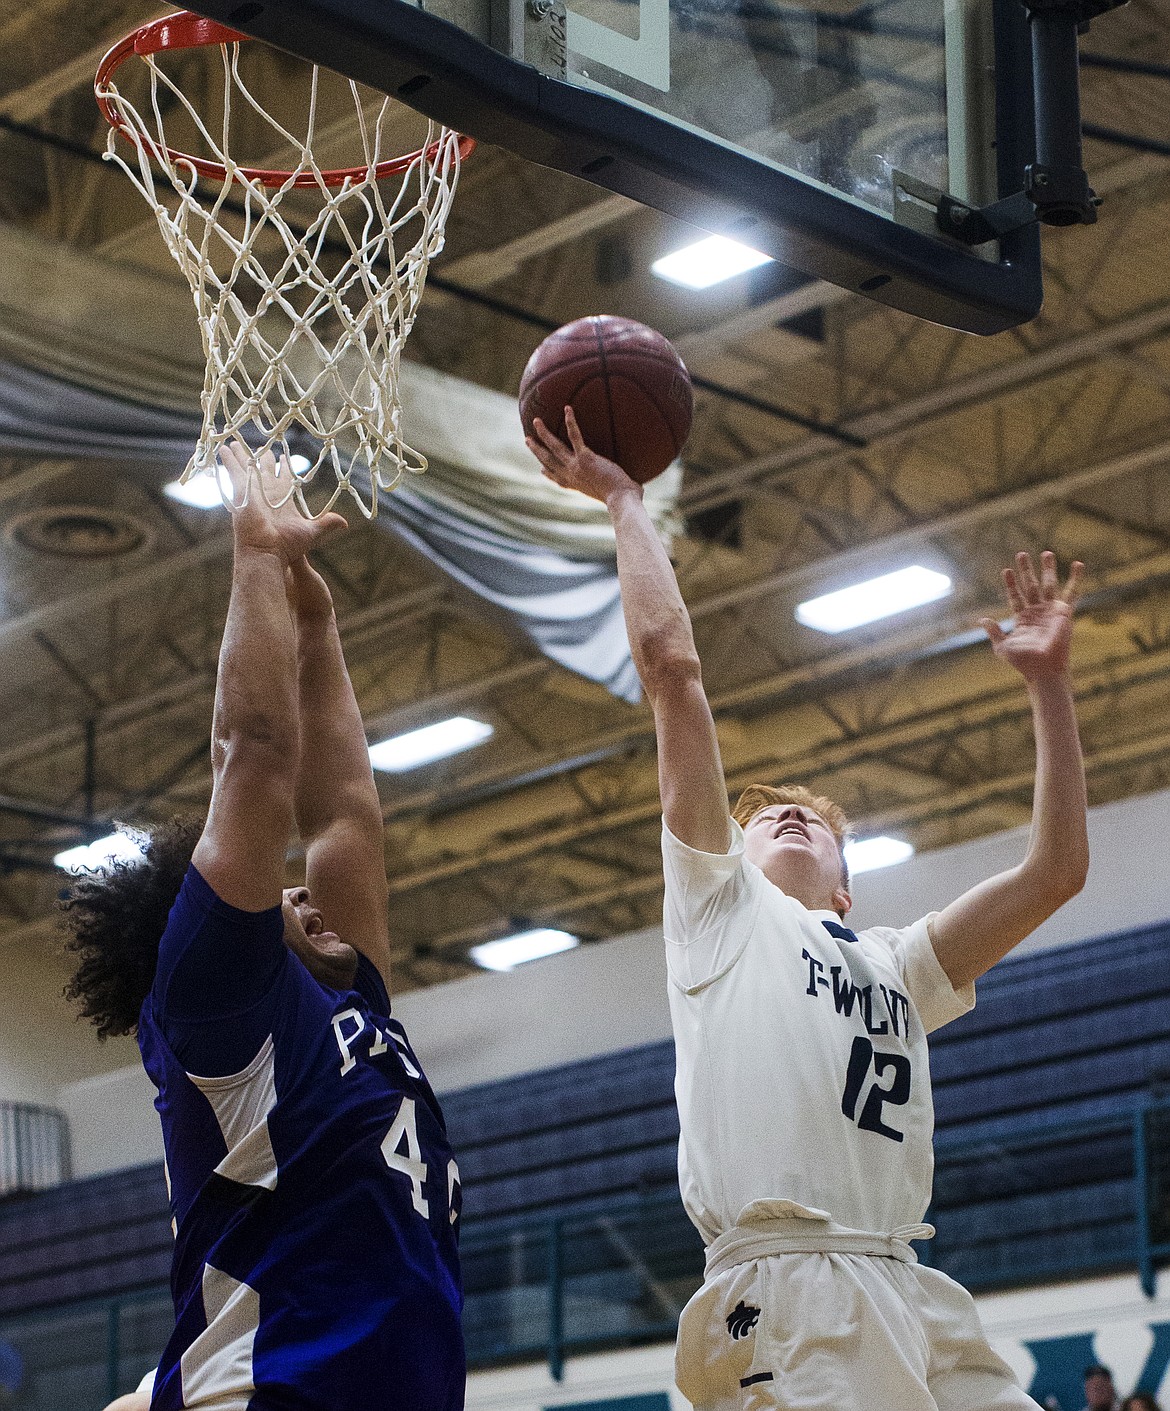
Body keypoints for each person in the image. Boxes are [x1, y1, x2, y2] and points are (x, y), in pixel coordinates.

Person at [526, 408, 1089, 1411]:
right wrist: (625, 502)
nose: (788, 811)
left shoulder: (898, 963)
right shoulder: (721, 913)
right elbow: (672, 669)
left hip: (907, 1283)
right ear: (725, 861)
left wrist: (1049, 686)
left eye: (817, 821)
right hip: (780, 1280)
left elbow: (1055, 873)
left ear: (845, 884)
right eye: (765, 816)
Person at [64, 446, 464, 1411]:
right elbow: (256, 754)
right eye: (282, 895)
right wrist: (255, 551)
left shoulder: (349, 999)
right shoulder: (219, 1002)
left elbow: (346, 814)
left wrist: (319, 628)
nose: (308, 895)